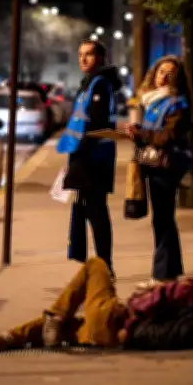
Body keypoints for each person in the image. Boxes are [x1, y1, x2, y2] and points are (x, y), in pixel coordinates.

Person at [0, 257, 193, 353]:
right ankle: (5, 339)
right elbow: (175, 327)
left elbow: (183, 292)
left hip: (113, 320)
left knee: (95, 266)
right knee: (66, 328)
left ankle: (55, 313)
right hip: (100, 337)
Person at [124, 56, 193, 289]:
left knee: (163, 219)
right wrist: (136, 131)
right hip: (154, 164)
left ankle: (161, 275)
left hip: (167, 165)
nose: (163, 76)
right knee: (163, 219)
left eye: (170, 73)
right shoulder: (151, 101)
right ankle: (172, 272)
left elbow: (167, 136)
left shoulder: (177, 104)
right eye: (160, 71)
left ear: (177, 78)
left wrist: (143, 134)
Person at [56, 40, 122, 275]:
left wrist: (80, 157)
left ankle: (105, 265)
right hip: (83, 156)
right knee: (85, 210)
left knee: (96, 212)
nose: (83, 59)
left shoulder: (100, 85)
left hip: (94, 159)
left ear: (101, 58)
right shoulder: (89, 84)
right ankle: (91, 264)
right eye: (80, 54)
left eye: (89, 55)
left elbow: (95, 124)